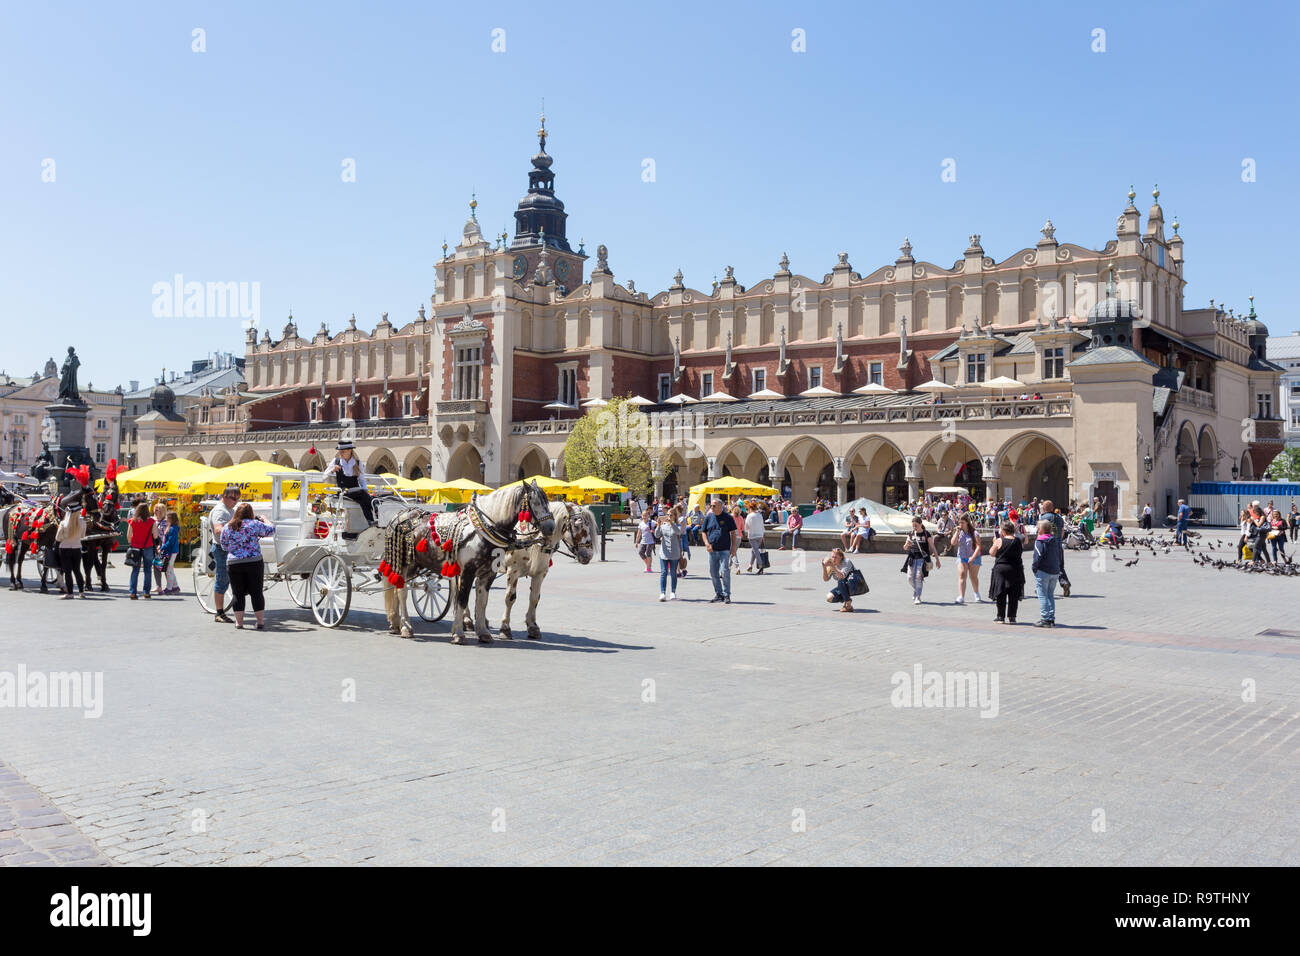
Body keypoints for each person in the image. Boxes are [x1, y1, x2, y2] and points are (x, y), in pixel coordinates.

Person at [219, 502, 275, 630]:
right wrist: (265, 519)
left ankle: (239, 623)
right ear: (251, 513)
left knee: (237, 594)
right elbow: (272, 530)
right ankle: (260, 621)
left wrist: (235, 550)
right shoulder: (254, 524)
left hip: (234, 563)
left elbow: (223, 545)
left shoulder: (228, 527)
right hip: (254, 562)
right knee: (256, 592)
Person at [323, 440, 375, 527]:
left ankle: (370, 521)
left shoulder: (357, 463)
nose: (341, 453)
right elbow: (324, 476)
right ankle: (375, 507)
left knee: (363, 501)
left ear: (350, 451)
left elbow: (362, 480)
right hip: (343, 491)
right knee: (362, 493)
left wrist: (366, 491)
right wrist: (333, 470)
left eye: (343, 451)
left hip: (356, 491)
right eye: (340, 451)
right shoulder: (336, 461)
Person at [209, 484, 240, 623]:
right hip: (222, 549)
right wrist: (236, 533)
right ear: (225, 496)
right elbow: (218, 530)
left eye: (238, 498)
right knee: (222, 580)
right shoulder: (220, 511)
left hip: (228, 548)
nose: (236, 501)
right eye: (233, 498)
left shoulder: (229, 509)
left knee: (228, 579)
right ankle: (219, 613)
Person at [702, 498, 738, 604]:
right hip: (712, 549)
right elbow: (703, 532)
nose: (711, 507)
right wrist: (706, 544)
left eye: (714, 506)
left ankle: (727, 594)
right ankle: (719, 594)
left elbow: (733, 533)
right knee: (713, 572)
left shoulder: (728, 517)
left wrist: (733, 548)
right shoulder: (709, 517)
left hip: (724, 549)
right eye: (711, 505)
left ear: (720, 506)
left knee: (725, 571)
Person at [987, 521, 1024, 624]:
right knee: (1013, 594)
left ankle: (1000, 616)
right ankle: (1012, 617)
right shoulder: (1018, 540)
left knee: (1001, 593)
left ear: (1003, 531)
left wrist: (995, 542)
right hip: (1015, 569)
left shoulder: (999, 540)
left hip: (1001, 569)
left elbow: (991, 553)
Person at [1031, 518, 1063, 628]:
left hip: (1043, 571)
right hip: (1055, 571)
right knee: (1050, 595)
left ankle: (1045, 618)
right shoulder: (1055, 540)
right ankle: (1051, 618)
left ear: (1041, 530)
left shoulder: (1040, 541)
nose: (1036, 529)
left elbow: (1038, 556)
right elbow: (1059, 555)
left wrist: (1034, 568)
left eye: (1038, 528)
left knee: (1042, 595)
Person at [902, 517, 938, 605]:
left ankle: (918, 596)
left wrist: (937, 559)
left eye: (916, 526)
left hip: (922, 558)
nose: (914, 527)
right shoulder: (911, 534)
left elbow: (933, 547)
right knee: (910, 578)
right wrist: (907, 544)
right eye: (913, 526)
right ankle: (916, 590)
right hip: (911, 558)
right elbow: (905, 548)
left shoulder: (926, 534)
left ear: (921, 524)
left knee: (918, 577)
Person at [55, 505, 87, 599]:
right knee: (77, 571)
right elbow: (82, 536)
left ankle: (70, 593)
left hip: (65, 548)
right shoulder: (82, 523)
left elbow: (57, 538)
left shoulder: (63, 523)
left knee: (68, 572)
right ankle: (81, 592)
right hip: (77, 548)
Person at [126, 502, 156, 600]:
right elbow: (155, 535)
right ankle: (146, 592)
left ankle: (132, 592)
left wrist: (134, 542)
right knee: (147, 570)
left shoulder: (132, 521)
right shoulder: (151, 521)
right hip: (148, 547)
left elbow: (129, 537)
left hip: (135, 548)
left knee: (135, 571)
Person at [951, 514, 983, 604]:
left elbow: (978, 547)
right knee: (962, 574)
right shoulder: (959, 532)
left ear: (967, 523)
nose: (960, 524)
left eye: (962, 522)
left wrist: (972, 558)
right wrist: (956, 532)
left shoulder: (974, 533)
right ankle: (961, 596)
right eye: (959, 522)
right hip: (962, 556)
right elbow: (953, 543)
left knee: (973, 577)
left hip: (974, 557)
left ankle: (976, 593)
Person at [1041, 499, 1070, 597]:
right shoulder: (1059, 517)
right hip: (1058, 545)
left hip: (1046, 545)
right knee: (1059, 566)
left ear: (1044, 508)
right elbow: (1062, 531)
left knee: (1044, 566)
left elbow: (1040, 532)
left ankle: (1042, 587)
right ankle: (1064, 582)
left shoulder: (1043, 517)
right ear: (1052, 508)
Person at [653, 510, 682, 601]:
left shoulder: (677, 525)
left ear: (674, 516)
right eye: (667, 515)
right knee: (664, 572)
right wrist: (658, 525)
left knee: (673, 573)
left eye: (671, 515)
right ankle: (662, 593)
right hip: (664, 553)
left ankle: (673, 592)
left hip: (674, 553)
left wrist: (671, 523)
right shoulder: (663, 526)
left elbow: (678, 532)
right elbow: (657, 535)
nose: (669, 516)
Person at [822, 547, 859, 612]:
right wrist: (824, 567)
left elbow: (842, 576)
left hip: (855, 584)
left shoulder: (846, 562)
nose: (833, 559)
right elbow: (826, 579)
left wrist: (833, 567)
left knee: (841, 580)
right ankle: (847, 600)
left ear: (841, 557)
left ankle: (848, 604)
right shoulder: (832, 564)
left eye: (835, 557)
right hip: (842, 586)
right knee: (829, 598)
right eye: (832, 557)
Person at [158, 509, 181, 594]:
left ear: (171, 519)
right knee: (170, 569)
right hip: (172, 550)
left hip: (171, 551)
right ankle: (175, 586)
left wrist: (162, 547)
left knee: (168, 569)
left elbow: (170, 541)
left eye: (167, 517)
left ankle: (169, 588)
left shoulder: (172, 529)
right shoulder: (172, 528)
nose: (165, 519)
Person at [151, 502, 170, 593]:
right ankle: (158, 586)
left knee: (166, 567)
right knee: (156, 566)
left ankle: (170, 586)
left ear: (162, 511)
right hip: (153, 546)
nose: (155, 511)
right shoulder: (152, 520)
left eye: (157, 510)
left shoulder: (165, 522)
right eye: (155, 509)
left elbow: (166, 535)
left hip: (163, 546)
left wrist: (162, 546)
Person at [743, 501, 767, 574]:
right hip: (760, 535)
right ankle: (750, 565)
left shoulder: (749, 516)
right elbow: (762, 525)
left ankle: (761, 565)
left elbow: (746, 527)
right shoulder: (759, 515)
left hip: (752, 535)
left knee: (756, 550)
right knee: (754, 550)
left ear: (750, 508)